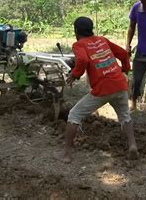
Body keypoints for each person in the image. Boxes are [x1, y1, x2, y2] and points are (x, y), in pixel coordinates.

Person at [54, 16, 138, 163]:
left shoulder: (79, 44)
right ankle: (132, 145)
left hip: (103, 88)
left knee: (74, 114)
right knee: (125, 116)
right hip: (120, 84)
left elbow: (83, 60)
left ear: (76, 31)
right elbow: (124, 54)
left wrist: (75, 74)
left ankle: (66, 153)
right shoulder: (102, 40)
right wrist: (125, 69)